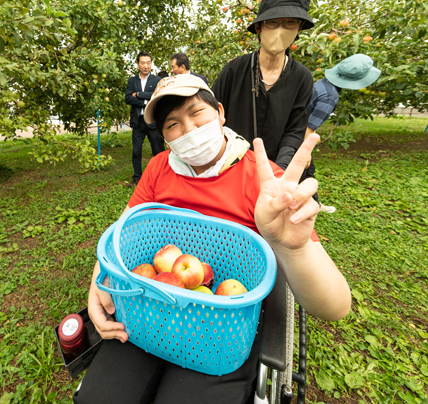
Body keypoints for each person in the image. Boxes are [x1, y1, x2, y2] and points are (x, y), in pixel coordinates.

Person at [75, 74, 351, 404]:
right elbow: (121, 231)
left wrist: (295, 247)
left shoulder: (267, 184)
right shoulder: (159, 168)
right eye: (172, 124)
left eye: (196, 113)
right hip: (151, 310)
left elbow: (336, 307)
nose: (188, 130)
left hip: (221, 330)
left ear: (220, 112)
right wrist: (96, 288)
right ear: (164, 137)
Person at [213, 0, 315, 170]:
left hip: (280, 170)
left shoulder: (302, 77)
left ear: (299, 28)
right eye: (272, 23)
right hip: (234, 170)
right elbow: (213, 117)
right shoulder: (234, 70)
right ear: (259, 27)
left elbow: (294, 131)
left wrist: (279, 172)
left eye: (290, 23)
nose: (280, 31)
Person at [303, 54, 381, 182]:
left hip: (291, 132)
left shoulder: (323, 83)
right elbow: (309, 127)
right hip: (296, 138)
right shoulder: (329, 97)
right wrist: (305, 153)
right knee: (306, 177)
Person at [125, 52, 165, 186]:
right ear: (138, 64)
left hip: (152, 121)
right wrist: (145, 102)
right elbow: (128, 98)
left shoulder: (157, 80)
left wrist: (138, 94)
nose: (146, 66)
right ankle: (137, 177)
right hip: (138, 122)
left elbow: (157, 95)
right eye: (143, 63)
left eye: (148, 63)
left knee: (158, 151)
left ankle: (161, 177)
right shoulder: (132, 81)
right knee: (136, 152)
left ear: (151, 64)